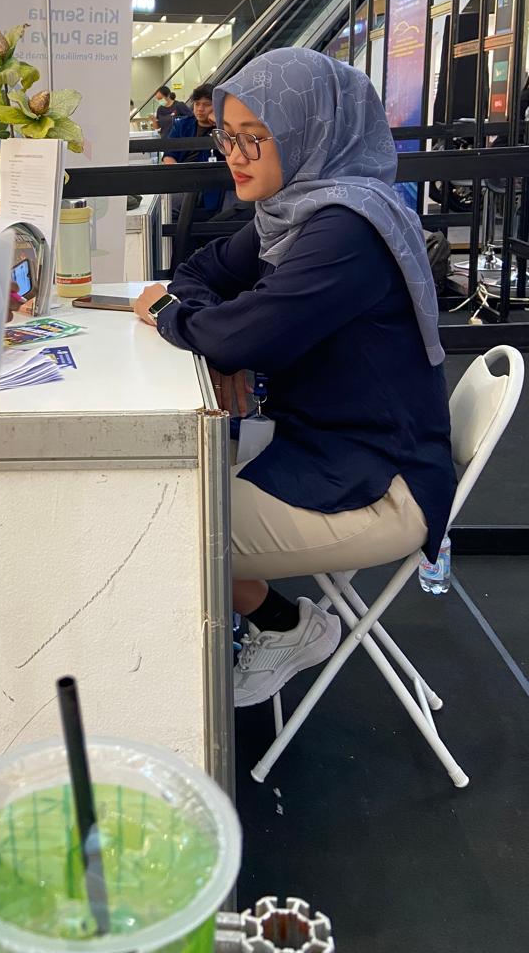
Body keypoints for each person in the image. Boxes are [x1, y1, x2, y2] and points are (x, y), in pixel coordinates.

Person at [133, 48, 456, 707]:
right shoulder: (294, 210)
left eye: (255, 137)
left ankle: (283, 627)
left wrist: (176, 316)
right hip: (325, 441)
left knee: (159, 524)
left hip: (379, 479)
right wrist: (216, 330)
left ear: (311, 130)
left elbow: (244, 334)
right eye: (228, 136)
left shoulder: (347, 229)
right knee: (162, 492)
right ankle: (280, 622)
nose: (235, 155)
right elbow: (203, 273)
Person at [164, 84, 226, 216]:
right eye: (197, 104)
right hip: (183, 183)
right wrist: (178, 176)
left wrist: (219, 122)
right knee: (167, 209)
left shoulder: (224, 128)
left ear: (217, 105)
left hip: (213, 187)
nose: (200, 109)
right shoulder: (182, 124)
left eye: (206, 104)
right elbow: (169, 155)